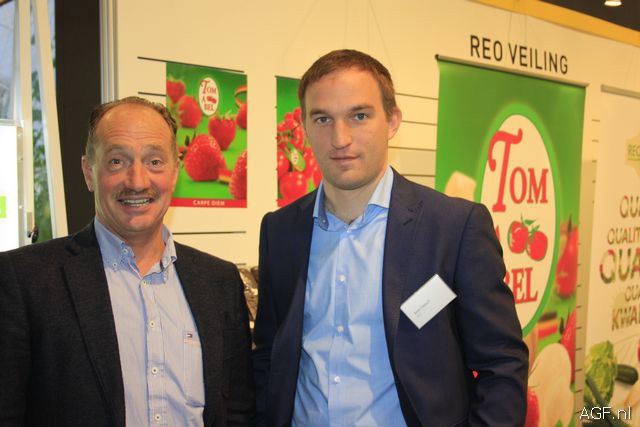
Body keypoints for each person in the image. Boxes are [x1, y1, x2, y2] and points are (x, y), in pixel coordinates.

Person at [253, 49, 528, 426]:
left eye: (359, 116)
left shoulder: (454, 228)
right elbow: (269, 357)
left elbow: (503, 364)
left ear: (393, 121)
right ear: (304, 126)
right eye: (323, 119)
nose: (340, 138)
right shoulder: (280, 231)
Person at [0, 97, 255, 426]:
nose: (137, 181)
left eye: (154, 161)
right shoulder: (25, 280)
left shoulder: (219, 281)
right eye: (117, 161)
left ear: (174, 173)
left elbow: (238, 410)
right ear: (89, 172)